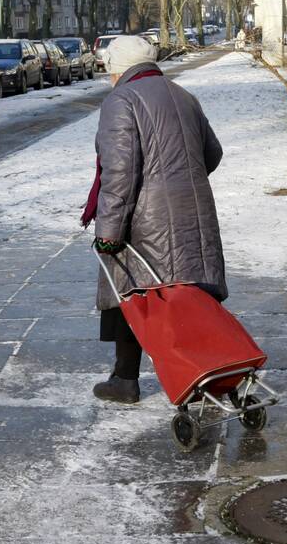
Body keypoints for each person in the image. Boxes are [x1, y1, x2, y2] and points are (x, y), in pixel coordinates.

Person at [80, 35, 227, 404]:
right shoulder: (183, 95)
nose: (110, 78)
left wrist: (109, 232)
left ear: (120, 69)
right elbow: (212, 153)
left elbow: (120, 172)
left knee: (131, 293)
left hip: (146, 220)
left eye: (111, 70)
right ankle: (204, 378)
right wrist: (181, 179)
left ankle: (125, 379)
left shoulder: (122, 101)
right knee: (190, 296)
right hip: (193, 211)